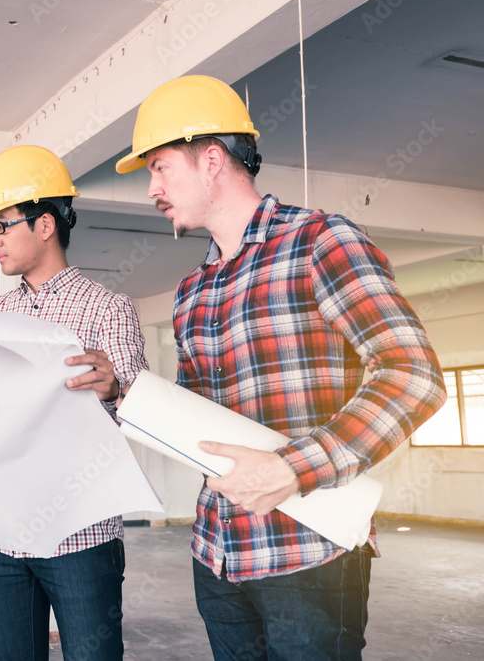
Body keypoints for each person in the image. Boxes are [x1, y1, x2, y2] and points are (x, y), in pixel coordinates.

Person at [117, 75, 447, 659]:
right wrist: (120, 392)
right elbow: (201, 421)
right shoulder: (192, 289)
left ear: (212, 159)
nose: (152, 189)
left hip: (309, 555)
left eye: (161, 167)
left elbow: (411, 375)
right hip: (217, 555)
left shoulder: (320, 241)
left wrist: (293, 469)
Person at [0, 145, 149, 661]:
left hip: (81, 537)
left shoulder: (107, 309)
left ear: (44, 225)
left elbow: (142, 418)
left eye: (2, 225)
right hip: (3, 538)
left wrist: (117, 391)